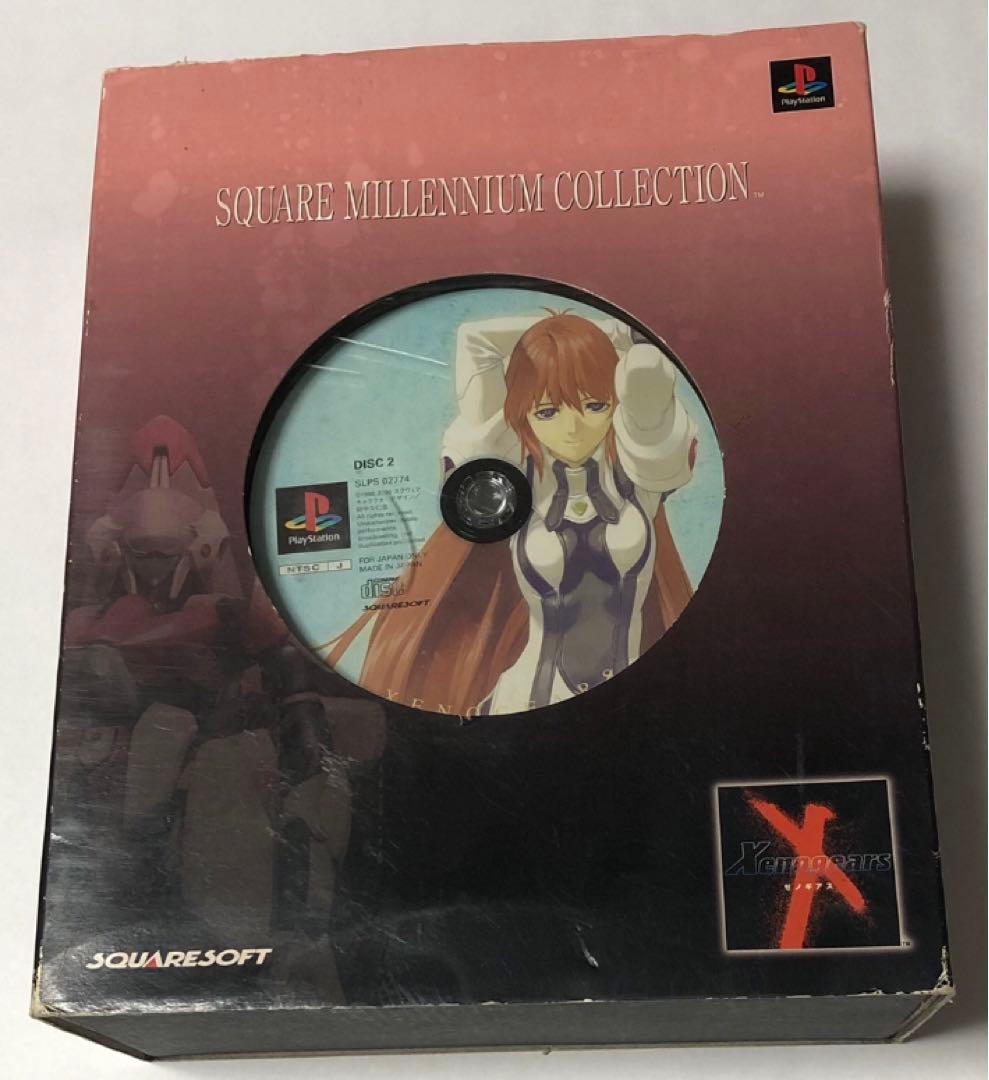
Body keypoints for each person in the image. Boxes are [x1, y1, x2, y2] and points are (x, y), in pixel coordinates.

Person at [325, 310, 698, 716]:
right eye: (547, 412)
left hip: (625, 699)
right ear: (522, 416)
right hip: (522, 702)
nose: (573, 429)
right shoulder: (515, 482)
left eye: (594, 405)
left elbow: (647, 378)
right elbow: (475, 340)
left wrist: (608, 340)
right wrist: (593, 332)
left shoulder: (639, 477)